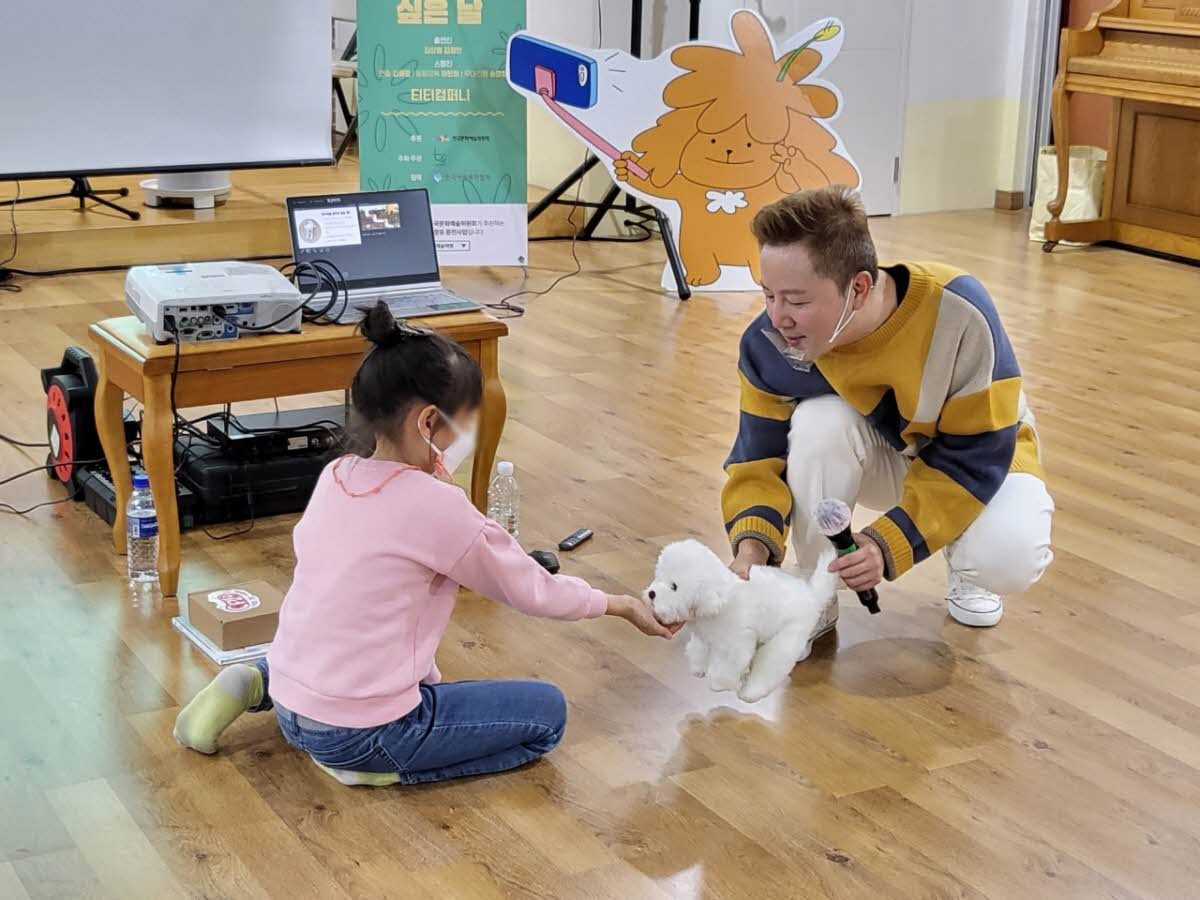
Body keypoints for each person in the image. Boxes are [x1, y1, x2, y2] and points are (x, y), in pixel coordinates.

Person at [174, 302, 675, 786]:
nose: (464, 441)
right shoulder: (438, 506)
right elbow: (531, 588)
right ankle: (371, 767)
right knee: (547, 714)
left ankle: (253, 681)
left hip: (292, 699)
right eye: (464, 426)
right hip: (361, 734)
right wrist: (618, 604)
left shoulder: (336, 475)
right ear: (429, 422)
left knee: (333, 657)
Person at [722, 185, 1053, 629]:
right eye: (769, 295)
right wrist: (751, 551)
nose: (778, 317)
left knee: (1005, 557)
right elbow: (758, 459)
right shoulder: (767, 344)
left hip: (985, 455)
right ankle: (814, 587)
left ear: (859, 288)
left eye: (797, 300)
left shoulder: (958, 312)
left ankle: (966, 559)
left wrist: (887, 543)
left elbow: (977, 454)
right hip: (892, 453)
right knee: (819, 421)